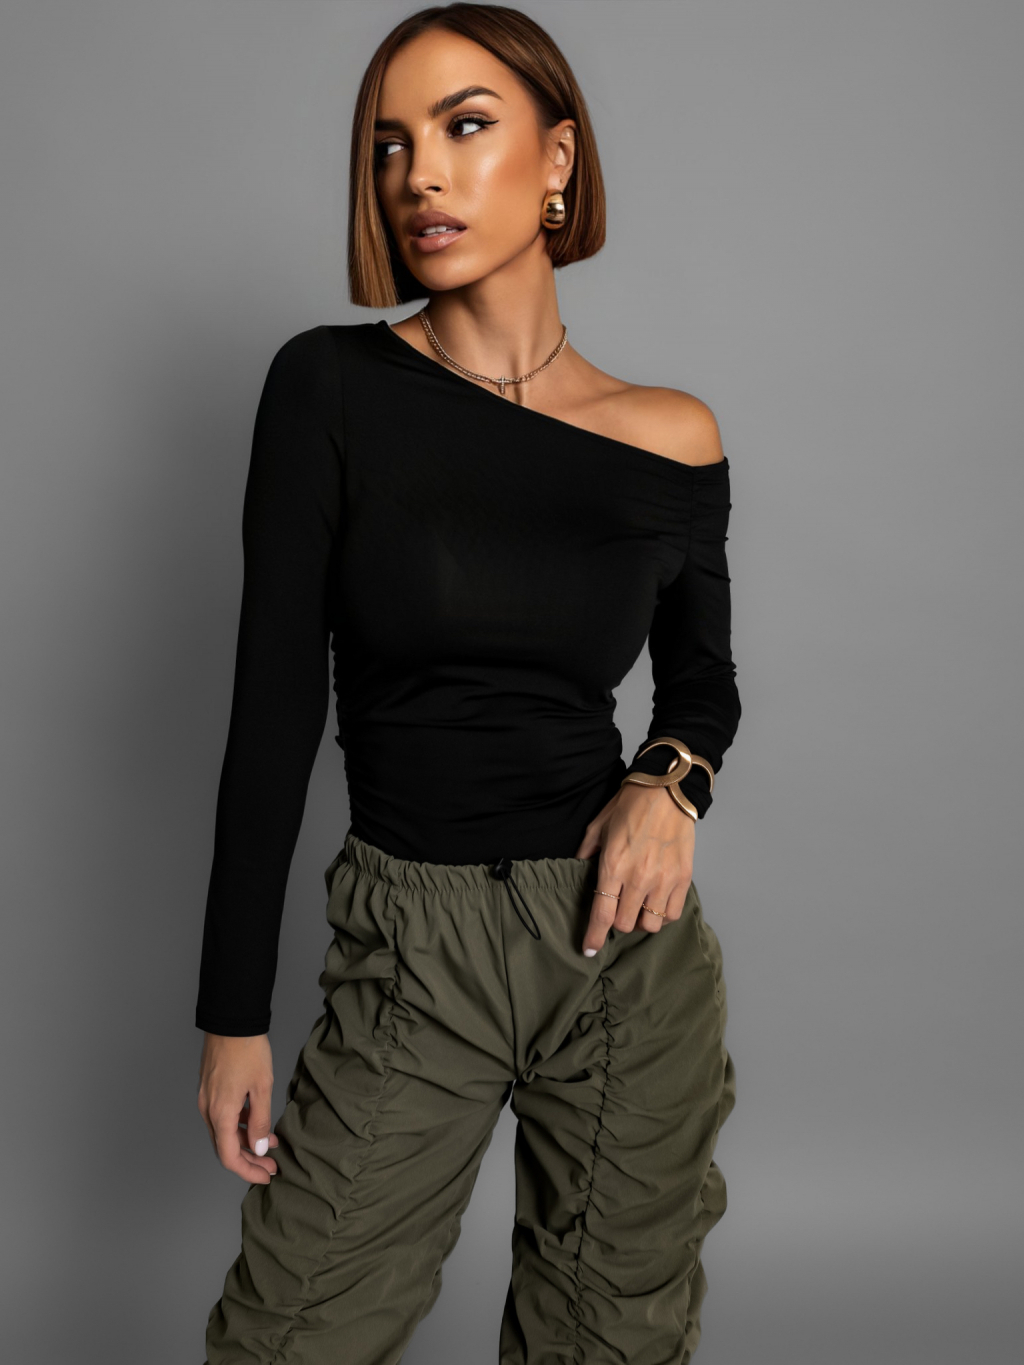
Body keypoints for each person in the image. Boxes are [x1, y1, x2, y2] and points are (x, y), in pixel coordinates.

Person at [196, 5, 740, 1362]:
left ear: (558, 158)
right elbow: (273, 709)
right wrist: (233, 1015)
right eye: (391, 144)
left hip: (621, 948)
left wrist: (668, 785)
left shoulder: (670, 437)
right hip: (413, 946)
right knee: (290, 1334)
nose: (420, 174)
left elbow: (703, 683)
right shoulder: (329, 387)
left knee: (610, 1342)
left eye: (465, 126)